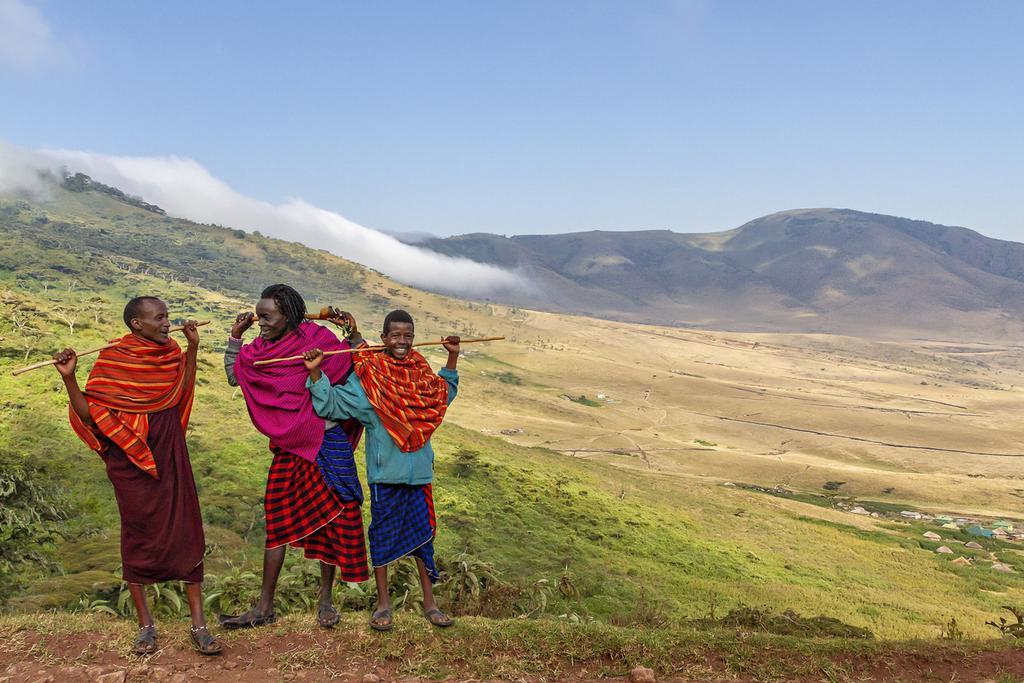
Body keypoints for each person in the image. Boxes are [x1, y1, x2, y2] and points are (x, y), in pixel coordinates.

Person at [54, 296, 221, 655]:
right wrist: (70, 379)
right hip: (129, 459)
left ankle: (199, 625)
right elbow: (88, 414)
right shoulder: (112, 358)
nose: (167, 323)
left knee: (187, 531)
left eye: (167, 317)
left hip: (170, 451)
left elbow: (182, 391)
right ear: (136, 324)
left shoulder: (171, 352)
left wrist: (192, 349)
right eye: (159, 318)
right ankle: (146, 626)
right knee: (137, 534)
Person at [218, 284, 369, 630]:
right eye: (259, 317)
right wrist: (235, 338)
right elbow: (234, 376)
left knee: (332, 519)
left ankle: (326, 602)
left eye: (267, 317)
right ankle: (264, 607)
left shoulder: (318, 338)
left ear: (288, 315)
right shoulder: (256, 351)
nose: (261, 323)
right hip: (290, 447)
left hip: (328, 442)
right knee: (277, 521)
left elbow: (355, 362)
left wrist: (353, 331)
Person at [302, 309, 460, 632]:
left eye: (408, 335)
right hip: (384, 477)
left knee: (424, 542)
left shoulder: (421, 374)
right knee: (383, 541)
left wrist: (452, 359)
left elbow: (443, 395)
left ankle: (430, 605)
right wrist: (316, 374)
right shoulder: (371, 382)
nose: (402, 341)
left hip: (419, 478)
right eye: (396, 335)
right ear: (384, 338)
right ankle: (383, 605)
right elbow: (331, 403)